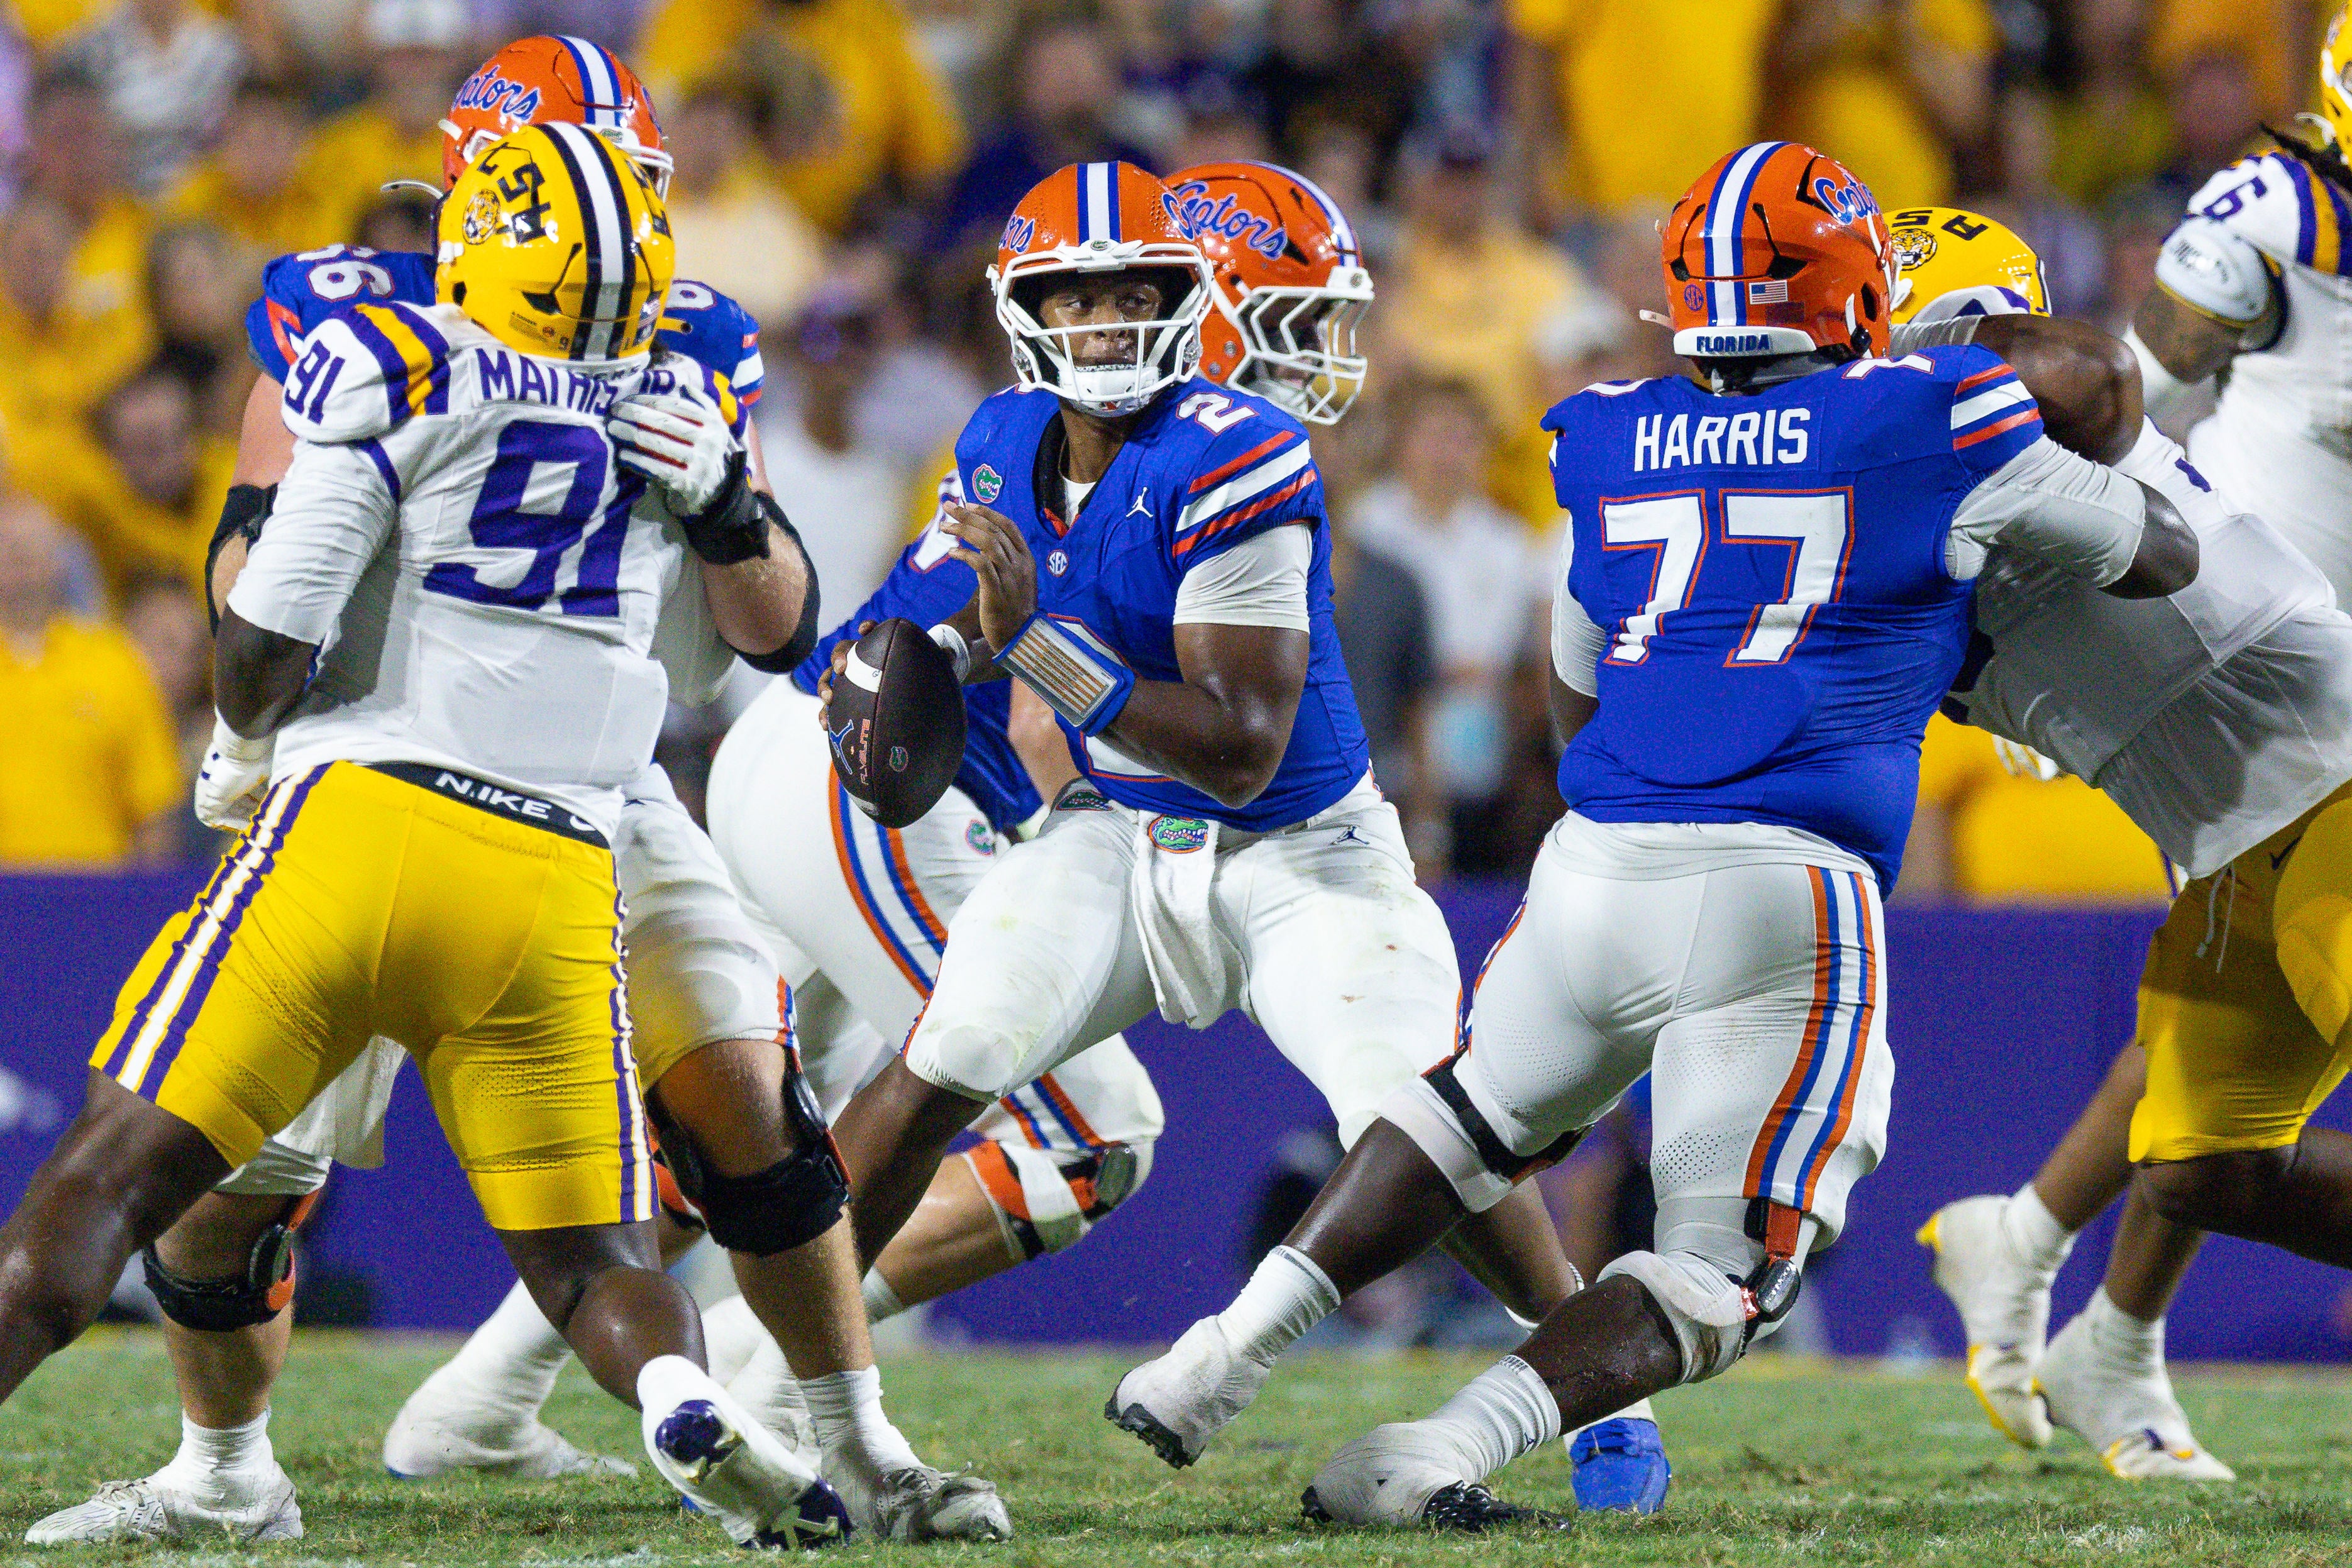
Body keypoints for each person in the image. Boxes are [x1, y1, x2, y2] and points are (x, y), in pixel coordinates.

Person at [1114, 141, 2196, 1529]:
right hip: (1788, 885)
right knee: (1729, 1263)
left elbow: (1574, 674)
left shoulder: (1608, 426)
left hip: (1597, 855)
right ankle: (1444, 1442)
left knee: (1466, 1119)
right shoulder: (1933, 411)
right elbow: (2161, 550)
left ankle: (1217, 1351)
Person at [26, 36, 1007, 1549]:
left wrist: (729, 498)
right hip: (385, 766)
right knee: (241, 1191)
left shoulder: (673, 344)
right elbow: (249, 551)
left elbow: (772, 624)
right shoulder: (361, 313)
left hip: (577, 792)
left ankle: (858, 1442)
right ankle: (225, 1467)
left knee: (752, 1106)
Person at [797, 157, 1577, 1469]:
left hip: (1297, 854)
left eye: (1132, 294)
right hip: (1114, 833)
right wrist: (881, 671)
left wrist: (1030, 643)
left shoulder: (1243, 451)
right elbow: (917, 619)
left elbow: (1234, 745)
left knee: (1421, 1117)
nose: (1104, 325)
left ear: (1180, 298)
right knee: (943, 1051)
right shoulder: (999, 437)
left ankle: (1587, 1371)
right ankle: (799, 1392)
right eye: (1076, 299)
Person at [1913, 180, 2352, 1477]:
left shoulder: (2031, 395)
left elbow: (2096, 370)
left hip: (2335, 763)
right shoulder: (1856, 521)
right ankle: (2073, 1307)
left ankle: (2033, 1251)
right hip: (2229, 837)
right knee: (2206, 1164)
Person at [0, 494, 182, 866]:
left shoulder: (115, 661)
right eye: (5, 552)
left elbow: (154, 807)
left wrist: (151, 908)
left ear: (59, 562)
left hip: (95, 903)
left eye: (25, 551)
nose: (14, 565)